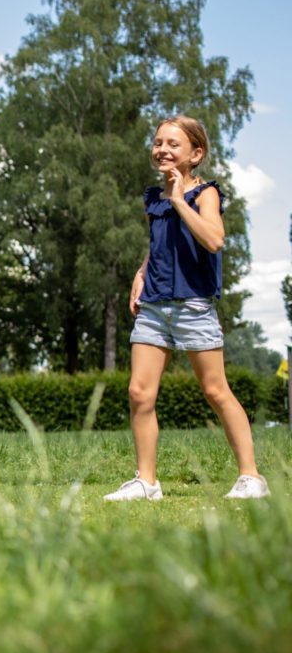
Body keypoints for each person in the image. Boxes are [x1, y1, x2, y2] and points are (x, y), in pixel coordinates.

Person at [104, 115, 269, 502]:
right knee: (139, 393)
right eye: (158, 142)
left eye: (172, 144)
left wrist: (180, 200)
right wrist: (141, 270)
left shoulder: (204, 194)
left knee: (215, 390)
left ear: (196, 154)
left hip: (194, 305)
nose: (162, 149)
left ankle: (251, 477)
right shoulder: (154, 199)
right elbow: (162, 244)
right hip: (155, 304)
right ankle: (147, 482)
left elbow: (214, 239)